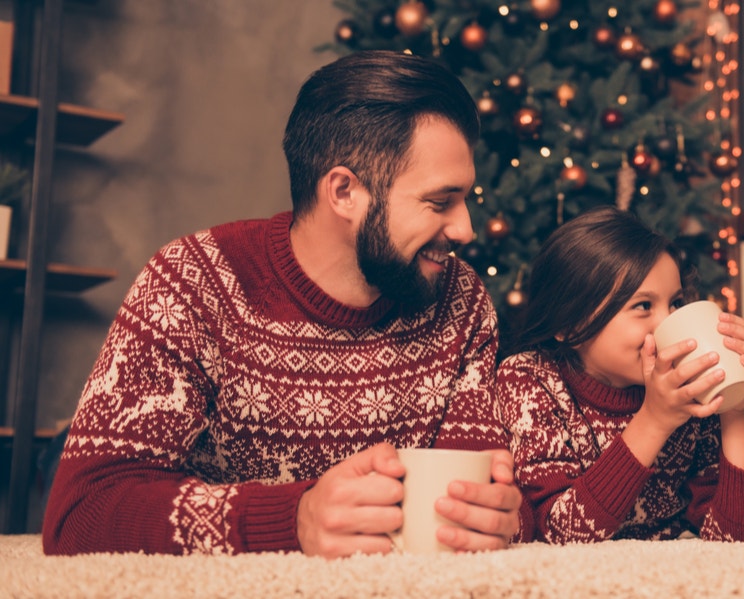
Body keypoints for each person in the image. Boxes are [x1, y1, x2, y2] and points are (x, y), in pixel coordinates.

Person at [42, 51, 528, 557]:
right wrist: (292, 519)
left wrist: (496, 516)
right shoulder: (192, 284)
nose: (466, 229)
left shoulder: (459, 299)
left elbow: (487, 492)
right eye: (439, 201)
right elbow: (80, 514)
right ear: (344, 192)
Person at [496, 206, 744, 543]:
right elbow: (561, 532)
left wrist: (733, 404)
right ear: (568, 324)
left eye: (674, 303)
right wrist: (655, 420)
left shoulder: (687, 388)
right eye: (643, 306)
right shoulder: (530, 379)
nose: (665, 323)